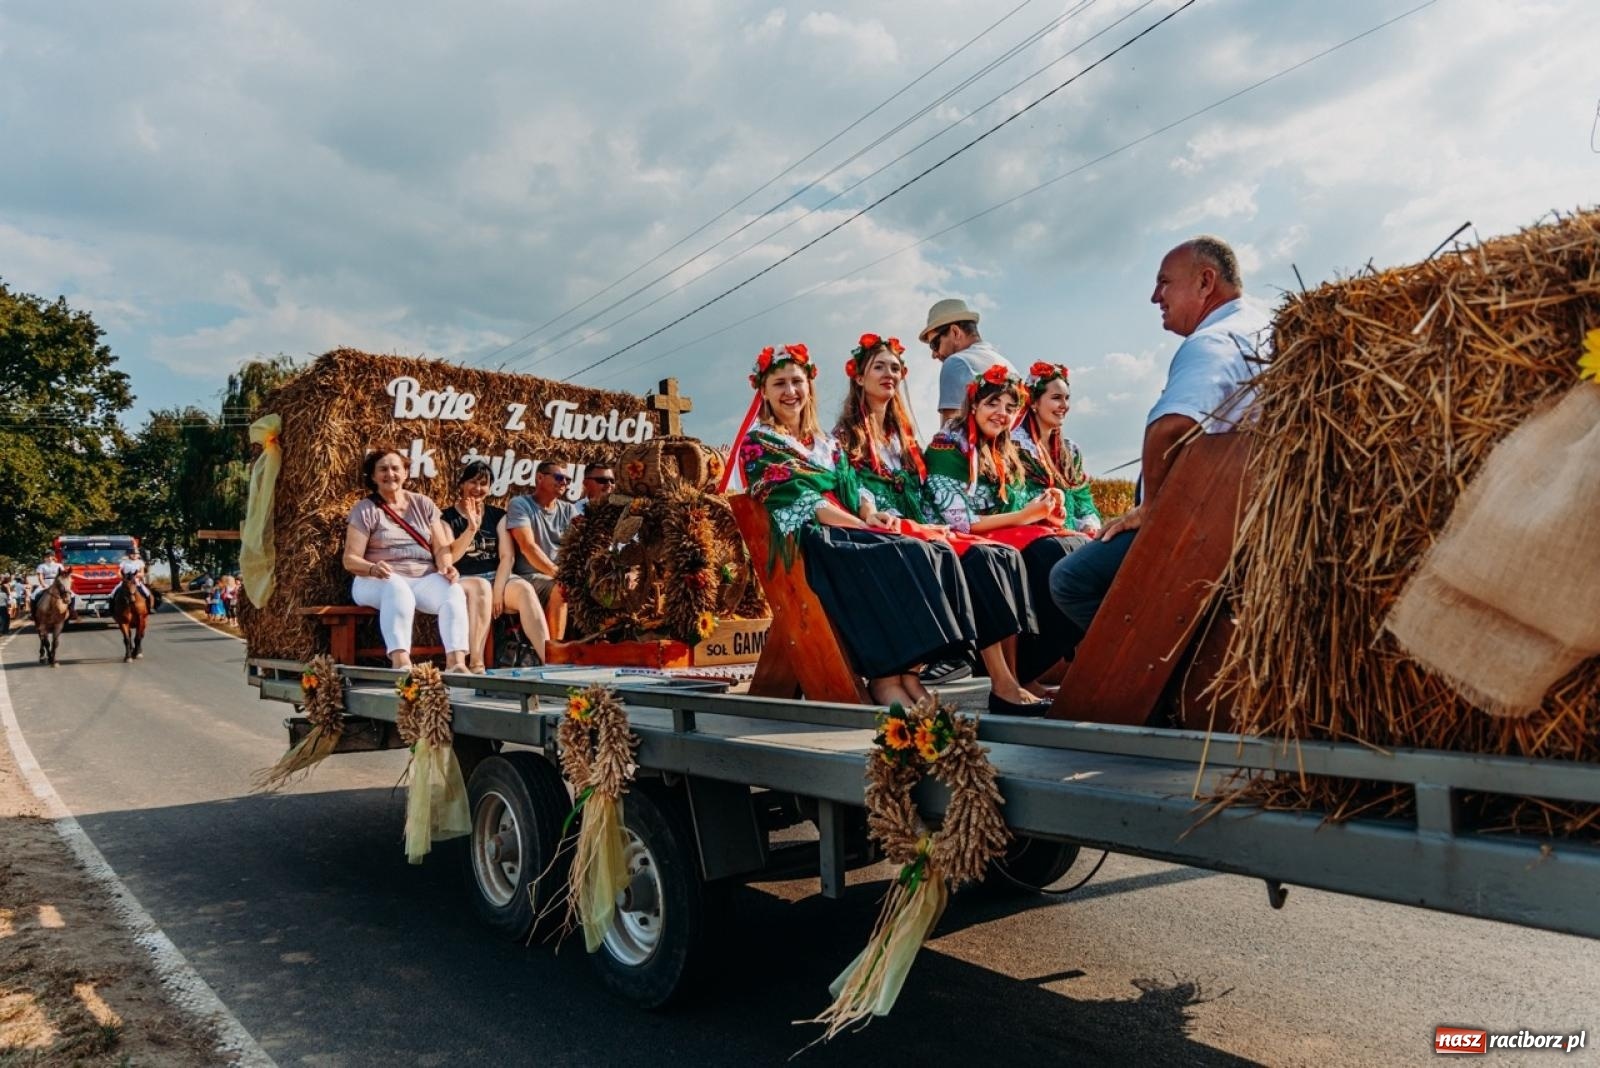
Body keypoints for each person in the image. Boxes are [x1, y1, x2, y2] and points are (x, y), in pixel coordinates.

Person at [1049, 235, 1272, 637]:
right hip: (1253, 519)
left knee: (1070, 580)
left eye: (1165, 282)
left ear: (1206, 282)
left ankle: (1154, 670)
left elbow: (1173, 423)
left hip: (1204, 527)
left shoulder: (1213, 341)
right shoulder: (1264, 328)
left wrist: (1151, 507)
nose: (1155, 296)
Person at [738, 342, 974, 710]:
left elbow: (853, 486)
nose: (790, 392)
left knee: (932, 548)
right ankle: (884, 677)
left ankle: (909, 672)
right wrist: (861, 527)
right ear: (764, 392)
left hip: (845, 530)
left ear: (809, 387)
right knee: (905, 550)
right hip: (813, 543)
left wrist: (870, 513)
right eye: (779, 383)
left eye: (796, 381)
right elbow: (806, 502)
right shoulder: (760, 442)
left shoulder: (823, 442)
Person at [834, 333, 1042, 712]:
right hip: (880, 527)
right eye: (879, 367)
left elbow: (923, 494)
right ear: (859, 377)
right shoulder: (847, 437)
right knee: (978, 557)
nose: (889, 374)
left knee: (999, 554)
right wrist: (872, 512)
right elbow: (852, 487)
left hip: (918, 523)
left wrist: (935, 525)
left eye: (895, 368)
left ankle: (1005, 678)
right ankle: (995, 681)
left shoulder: (904, 438)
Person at [925, 364, 1087, 700]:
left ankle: (1030, 670)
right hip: (951, 535)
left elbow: (1014, 504)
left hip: (993, 533)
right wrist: (1028, 515)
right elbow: (959, 520)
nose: (1002, 413)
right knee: (1032, 556)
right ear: (975, 404)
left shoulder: (1004, 449)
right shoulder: (948, 445)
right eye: (993, 403)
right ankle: (1007, 678)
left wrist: (1047, 506)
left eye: (1010, 407)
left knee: (1074, 547)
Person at [341, 448, 470, 672]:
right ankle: (401, 663)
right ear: (373, 477)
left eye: (395, 468)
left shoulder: (423, 504)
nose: (390, 474)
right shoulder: (365, 509)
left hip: (421, 578)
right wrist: (372, 568)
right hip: (375, 580)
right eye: (383, 469)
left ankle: (456, 663)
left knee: (453, 590)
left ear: (406, 473)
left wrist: (447, 567)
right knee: (396, 586)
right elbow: (350, 560)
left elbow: (440, 549)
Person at [1015, 363, 1101, 536]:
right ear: (1033, 402)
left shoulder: (1070, 451)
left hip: (1069, 534)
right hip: (1032, 536)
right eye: (1056, 398)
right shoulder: (1015, 448)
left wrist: (1087, 524)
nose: (1064, 405)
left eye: (1067, 398)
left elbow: (1082, 500)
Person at [441, 460, 502, 672]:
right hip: (462, 577)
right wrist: (471, 528)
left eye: (483, 483)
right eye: (473, 482)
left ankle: (550, 658)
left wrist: (501, 589)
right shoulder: (446, 517)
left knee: (525, 590)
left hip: (493, 575)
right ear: (461, 484)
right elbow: (451, 557)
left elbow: (507, 557)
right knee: (481, 586)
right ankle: (476, 662)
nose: (477, 488)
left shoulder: (498, 515)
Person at [921, 298, 1020, 425]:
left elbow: (949, 434)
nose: (934, 354)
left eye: (934, 345)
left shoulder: (956, 362)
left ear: (955, 332)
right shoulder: (1009, 366)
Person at [505, 463, 575, 640]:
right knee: (560, 589)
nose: (564, 483)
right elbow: (528, 547)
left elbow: (583, 545)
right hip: (529, 577)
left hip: (559, 575)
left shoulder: (568, 510)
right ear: (539, 477)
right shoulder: (520, 504)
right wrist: (559, 575)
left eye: (568, 479)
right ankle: (554, 654)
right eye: (559, 477)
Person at [34, 553, 76, 622]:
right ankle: (34, 613)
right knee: (34, 595)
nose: (49, 558)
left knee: (72, 594)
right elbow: (40, 577)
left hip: (58, 583)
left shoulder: (59, 565)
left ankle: (72, 611)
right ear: (44, 558)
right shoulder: (41, 566)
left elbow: (63, 575)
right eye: (47, 557)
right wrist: (43, 584)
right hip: (46, 582)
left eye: (51, 556)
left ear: (53, 557)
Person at [118, 547, 157, 611]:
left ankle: (150, 607)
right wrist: (123, 577)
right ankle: (111, 608)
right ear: (129, 554)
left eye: (136, 554)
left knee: (147, 593)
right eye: (132, 554)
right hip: (125, 581)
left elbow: (142, 573)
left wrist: (135, 576)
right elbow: (119, 572)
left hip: (136, 581)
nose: (135, 555)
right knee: (113, 593)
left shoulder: (140, 562)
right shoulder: (124, 562)